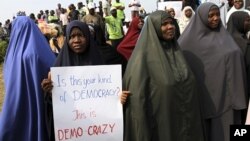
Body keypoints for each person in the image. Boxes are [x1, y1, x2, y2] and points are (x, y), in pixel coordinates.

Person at [122, 10, 205, 141]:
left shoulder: (177, 53)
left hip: (184, 126)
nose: (170, 26)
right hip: (160, 129)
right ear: (154, 28)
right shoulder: (141, 59)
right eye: (164, 24)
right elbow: (137, 102)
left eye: (171, 23)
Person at [178, 2, 248, 141]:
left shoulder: (225, 36)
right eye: (211, 16)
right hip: (206, 100)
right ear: (202, 17)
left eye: (217, 15)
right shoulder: (186, 43)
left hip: (230, 99)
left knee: (232, 132)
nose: (215, 18)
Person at [41, 21, 104, 141]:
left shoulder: (100, 64)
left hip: (97, 130)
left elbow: (109, 98)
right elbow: (53, 108)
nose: (76, 40)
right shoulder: (58, 69)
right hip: (72, 132)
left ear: (88, 37)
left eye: (81, 35)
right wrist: (49, 92)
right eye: (72, 37)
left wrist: (119, 99)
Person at [0, 16, 56, 141]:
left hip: (18, 103)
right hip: (42, 102)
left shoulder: (11, 54)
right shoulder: (41, 51)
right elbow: (53, 68)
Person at [227, 11, 250, 123]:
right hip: (243, 87)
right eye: (247, 20)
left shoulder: (226, 40)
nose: (249, 23)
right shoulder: (243, 43)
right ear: (238, 22)